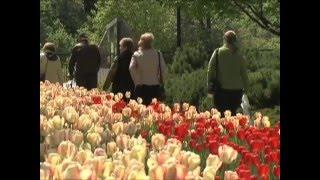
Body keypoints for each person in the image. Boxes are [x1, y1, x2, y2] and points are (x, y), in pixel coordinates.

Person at [207, 30, 249, 116]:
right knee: (233, 115)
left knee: (222, 116)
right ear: (235, 40)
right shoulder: (239, 55)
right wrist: (246, 90)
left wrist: (209, 87)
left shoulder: (218, 52)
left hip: (221, 91)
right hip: (237, 92)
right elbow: (244, 75)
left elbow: (210, 70)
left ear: (224, 39)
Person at [129, 33, 166, 105]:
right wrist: (161, 81)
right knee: (154, 110)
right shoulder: (158, 54)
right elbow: (163, 69)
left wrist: (137, 81)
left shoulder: (136, 54)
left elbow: (131, 68)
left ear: (141, 42)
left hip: (141, 88)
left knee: (141, 110)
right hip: (155, 87)